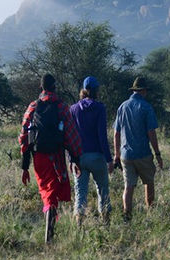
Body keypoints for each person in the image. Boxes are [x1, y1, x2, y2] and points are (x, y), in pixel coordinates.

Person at [19, 74, 82, 243]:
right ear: (54, 87)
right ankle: (49, 235)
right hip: (56, 156)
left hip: (39, 157)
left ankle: (50, 233)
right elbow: (71, 135)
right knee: (53, 193)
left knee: (47, 193)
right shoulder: (62, 107)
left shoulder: (33, 106)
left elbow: (24, 136)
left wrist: (25, 165)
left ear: (41, 88)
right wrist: (75, 158)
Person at [113, 76, 163, 221]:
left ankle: (127, 215)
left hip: (126, 155)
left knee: (128, 186)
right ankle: (150, 211)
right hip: (143, 153)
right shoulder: (146, 107)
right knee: (149, 182)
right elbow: (151, 133)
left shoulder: (122, 106)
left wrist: (117, 155)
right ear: (143, 91)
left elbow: (116, 133)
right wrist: (157, 154)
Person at [70, 76, 114, 226]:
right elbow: (102, 136)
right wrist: (109, 159)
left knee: (80, 194)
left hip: (79, 157)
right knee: (103, 192)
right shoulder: (100, 108)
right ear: (95, 90)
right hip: (97, 156)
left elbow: (70, 136)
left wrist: (71, 159)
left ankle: (79, 227)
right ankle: (106, 225)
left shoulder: (74, 109)